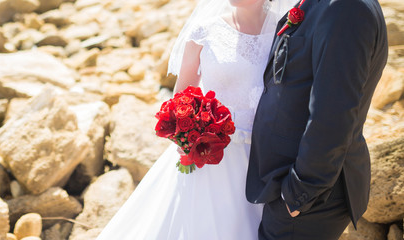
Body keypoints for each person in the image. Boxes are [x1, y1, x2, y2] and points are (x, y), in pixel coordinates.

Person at [96, 0, 296, 239]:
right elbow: (181, 99)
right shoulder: (205, 31)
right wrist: (188, 137)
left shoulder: (287, 30)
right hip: (208, 157)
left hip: (263, 160)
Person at [246, 0, 389, 239]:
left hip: (310, 196)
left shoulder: (345, 8)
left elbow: (334, 112)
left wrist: (300, 192)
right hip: (293, 185)